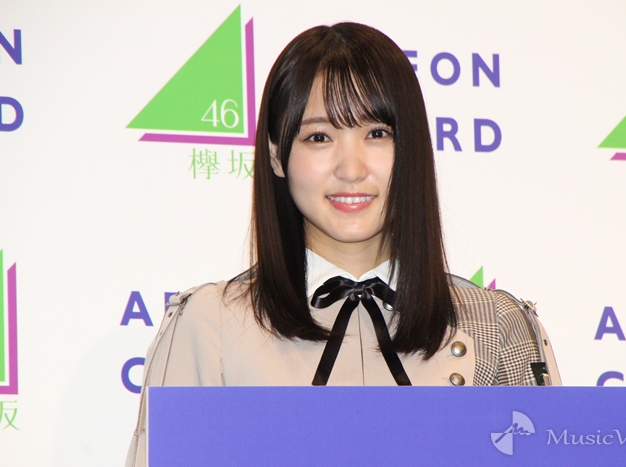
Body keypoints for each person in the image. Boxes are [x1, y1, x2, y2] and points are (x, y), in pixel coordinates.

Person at [125, 22, 560, 466]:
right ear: (276, 155)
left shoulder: (498, 325)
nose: (351, 169)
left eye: (377, 134)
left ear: (412, 148)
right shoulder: (210, 325)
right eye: (319, 137)